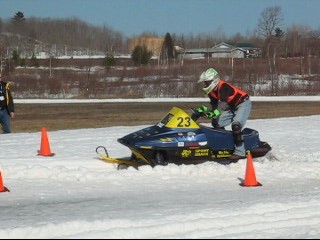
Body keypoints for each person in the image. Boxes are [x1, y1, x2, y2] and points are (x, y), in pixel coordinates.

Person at [193, 68, 252, 161]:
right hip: (231, 106)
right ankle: (223, 144)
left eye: (207, 82)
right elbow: (214, 106)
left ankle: (240, 152)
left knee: (236, 126)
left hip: (242, 103)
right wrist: (202, 110)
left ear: (214, 80)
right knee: (216, 122)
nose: (205, 85)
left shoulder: (224, 87)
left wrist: (213, 114)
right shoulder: (211, 91)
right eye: (205, 83)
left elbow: (222, 105)